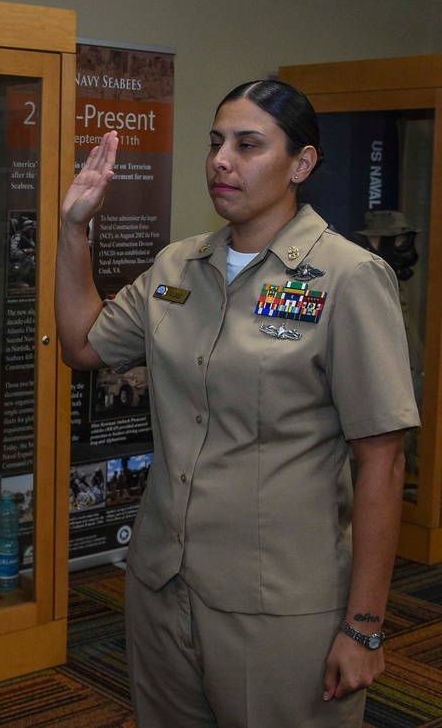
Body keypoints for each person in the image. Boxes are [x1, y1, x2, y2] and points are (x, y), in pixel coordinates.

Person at [55, 80, 419, 727]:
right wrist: (74, 230)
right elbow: (83, 345)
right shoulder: (176, 268)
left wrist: (364, 626)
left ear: (301, 164)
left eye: (248, 145)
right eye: (216, 143)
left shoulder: (348, 277)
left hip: (278, 603)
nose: (221, 160)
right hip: (163, 585)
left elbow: (383, 461)